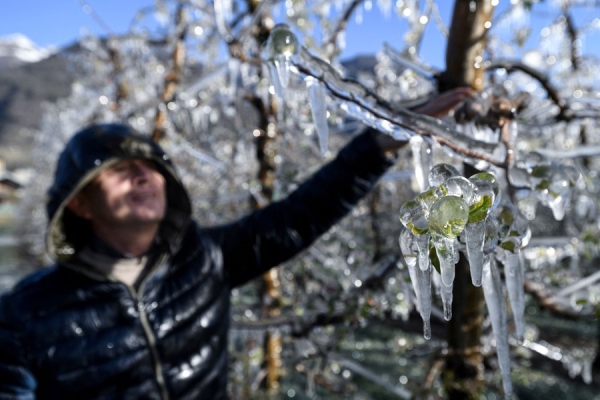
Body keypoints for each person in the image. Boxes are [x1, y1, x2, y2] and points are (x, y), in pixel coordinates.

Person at [0, 88, 472, 399]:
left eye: (151, 168)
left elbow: (302, 214)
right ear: (80, 205)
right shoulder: (25, 314)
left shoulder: (203, 261)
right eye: (120, 171)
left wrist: (379, 141)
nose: (143, 175)